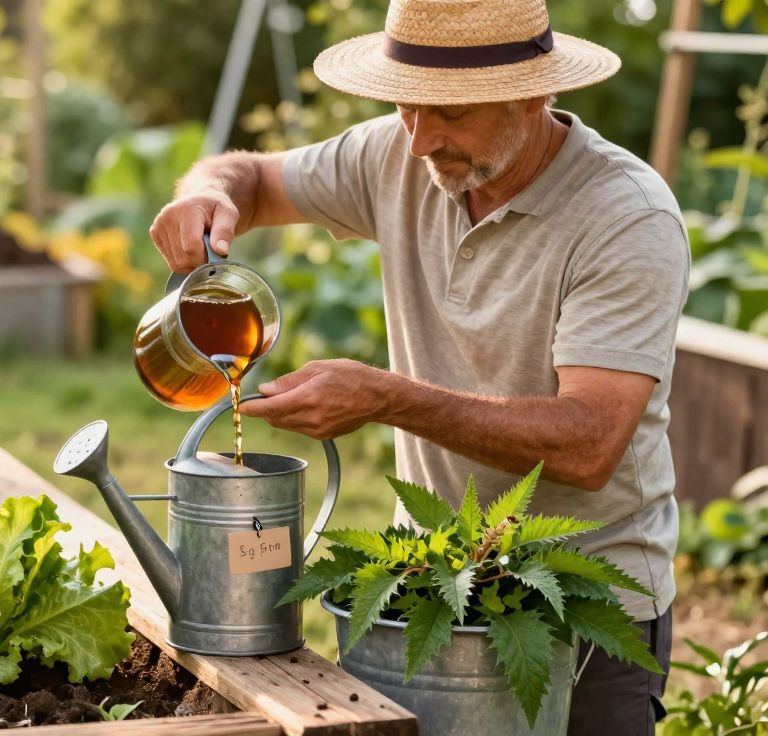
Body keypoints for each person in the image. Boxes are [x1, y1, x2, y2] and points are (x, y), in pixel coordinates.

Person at [148, 0, 687, 732]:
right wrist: (205, 194)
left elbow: (589, 442)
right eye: (405, 107)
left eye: (450, 115)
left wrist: (386, 398)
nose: (421, 139)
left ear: (531, 93)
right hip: (429, 578)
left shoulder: (624, 218)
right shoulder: (396, 156)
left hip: (583, 602)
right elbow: (251, 176)